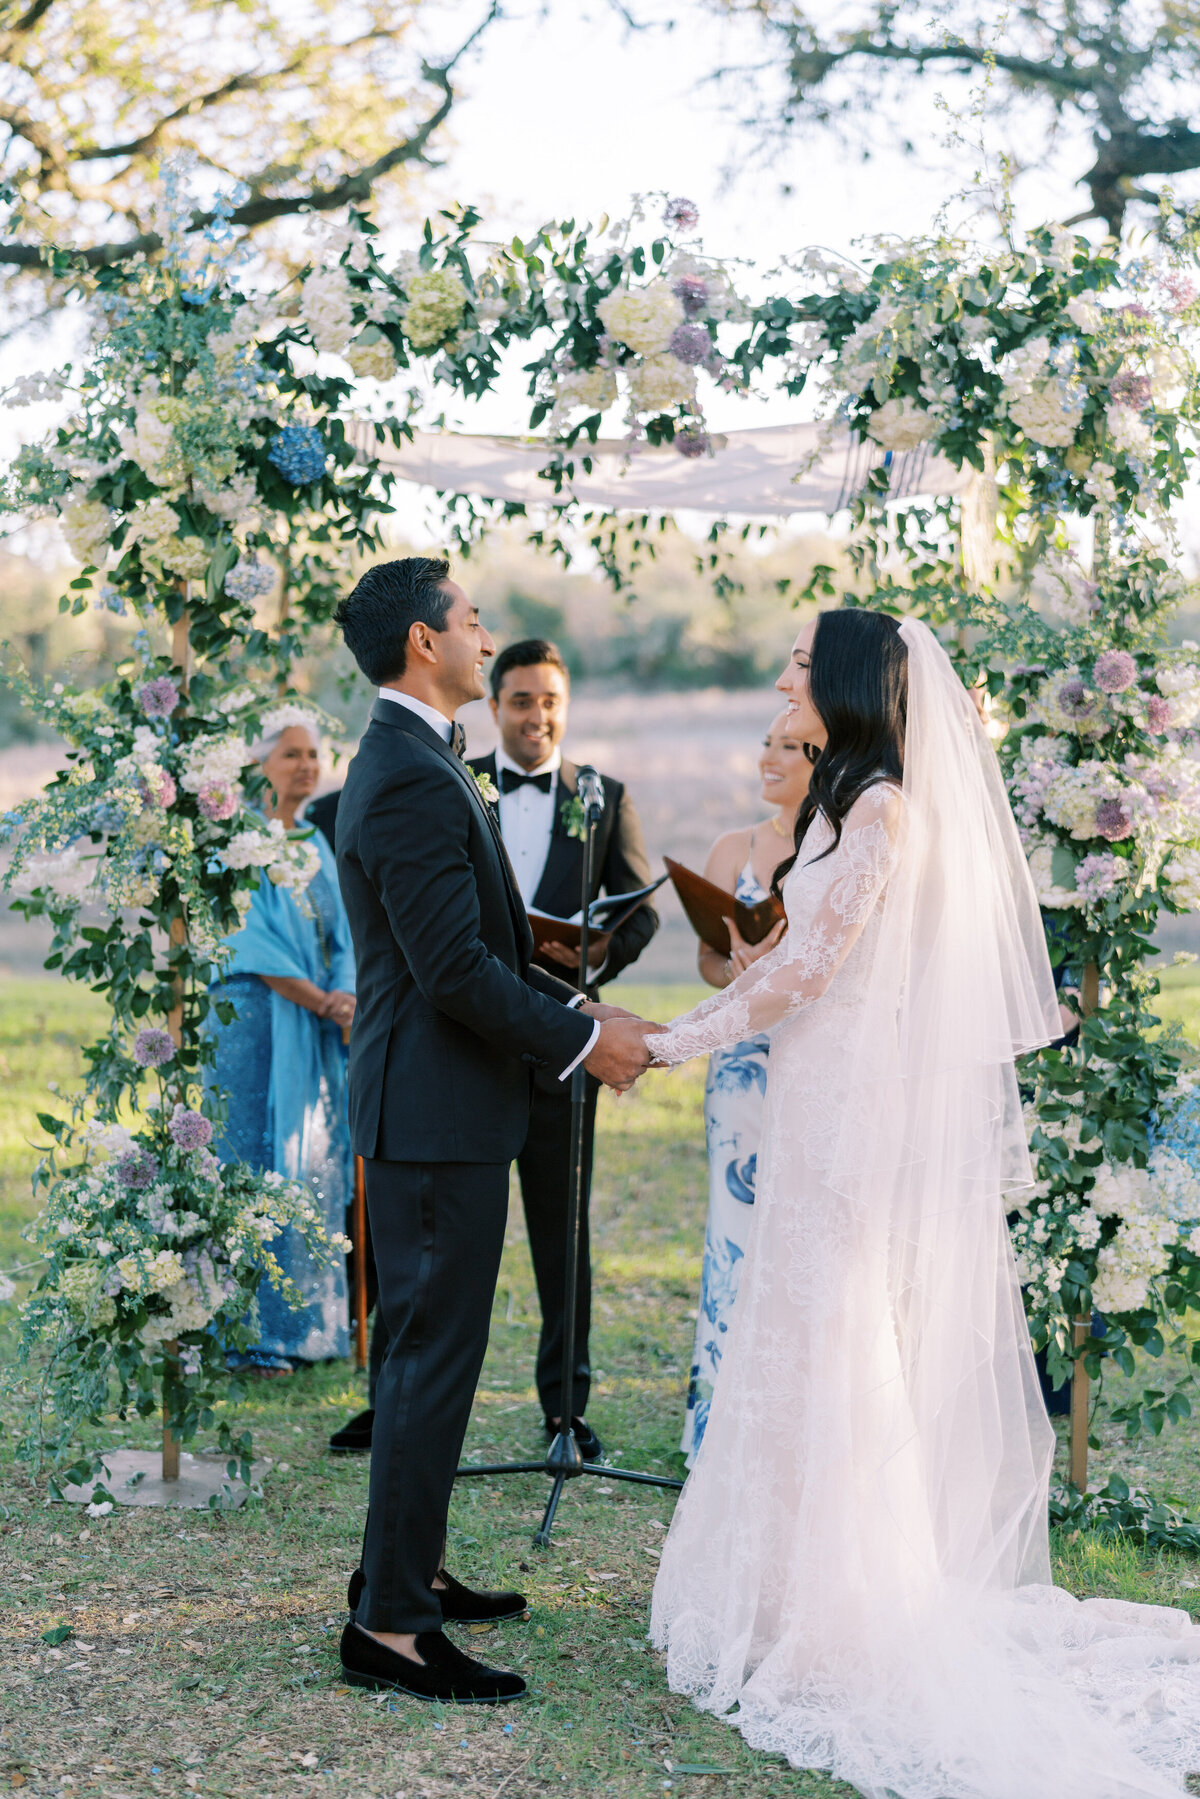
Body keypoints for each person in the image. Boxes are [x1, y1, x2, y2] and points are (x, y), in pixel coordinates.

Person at [647, 610, 1200, 1799]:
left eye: (799, 662)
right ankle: (786, 1586)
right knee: (795, 1333)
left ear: (842, 687)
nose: (782, 676)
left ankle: (844, 1605)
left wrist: (668, 1039)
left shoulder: (889, 808)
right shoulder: (842, 810)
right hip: (812, 1089)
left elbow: (808, 971)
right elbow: (800, 964)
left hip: (850, 1109)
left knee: (832, 1333)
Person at [331, 556, 659, 1706]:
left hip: (445, 1105)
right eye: (472, 621)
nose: (486, 636)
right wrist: (583, 1047)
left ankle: (403, 1567)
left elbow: (495, 947)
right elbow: (453, 971)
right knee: (428, 1365)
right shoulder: (412, 773)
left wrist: (581, 1005)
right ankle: (393, 1629)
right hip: (433, 1115)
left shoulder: (419, 756)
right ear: (427, 641)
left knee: (435, 1360)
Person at [468, 636, 659, 1462]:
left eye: (550, 701)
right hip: (470, 1048)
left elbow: (640, 907)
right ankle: (412, 1404)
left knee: (562, 1235)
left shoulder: (604, 795)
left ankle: (564, 1411)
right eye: (521, 700)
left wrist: (595, 959)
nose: (537, 715)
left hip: (562, 1056)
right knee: (458, 1243)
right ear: (495, 706)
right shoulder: (459, 783)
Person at [209, 712, 356, 1373]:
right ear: (260, 764)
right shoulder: (233, 844)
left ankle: (307, 1328)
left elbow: (348, 933)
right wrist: (319, 998)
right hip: (257, 1023)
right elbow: (247, 941)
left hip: (321, 1025)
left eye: (313, 753)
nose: (305, 765)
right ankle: (249, 1332)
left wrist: (348, 993)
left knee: (311, 1161)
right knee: (254, 1161)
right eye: (290, 753)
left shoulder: (315, 842)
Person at [682, 708, 810, 1464]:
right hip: (737, 1066)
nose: (769, 757)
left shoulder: (834, 848)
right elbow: (704, 960)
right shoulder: (733, 848)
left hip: (810, 1055)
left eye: (788, 747)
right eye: (765, 743)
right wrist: (732, 967)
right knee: (732, 1236)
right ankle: (717, 1431)